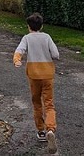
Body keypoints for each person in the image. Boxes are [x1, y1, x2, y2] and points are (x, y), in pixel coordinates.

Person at [13, 12, 60, 154]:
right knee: (49, 103)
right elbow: (56, 54)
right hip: (47, 75)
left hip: (34, 75)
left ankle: (40, 131)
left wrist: (17, 60)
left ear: (28, 26)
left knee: (37, 103)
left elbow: (19, 51)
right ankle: (50, 129)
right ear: (42, 26)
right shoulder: (47, 37)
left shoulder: (26, 38)